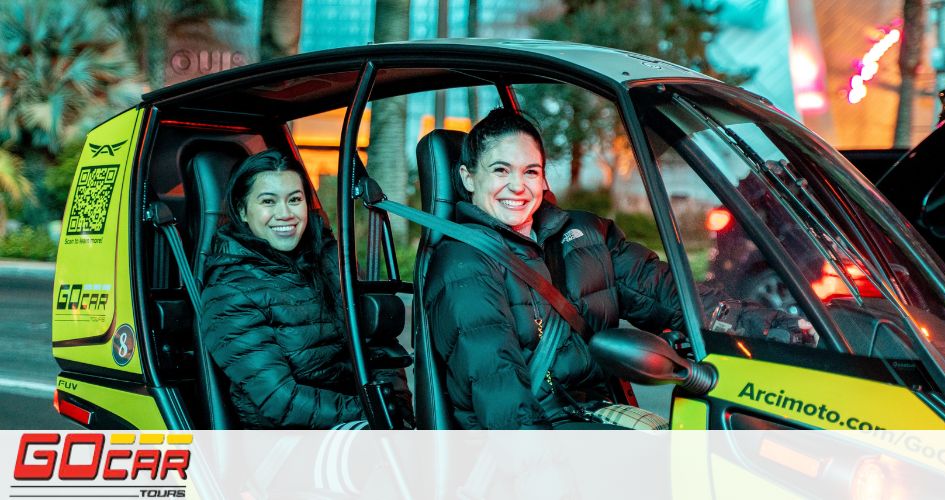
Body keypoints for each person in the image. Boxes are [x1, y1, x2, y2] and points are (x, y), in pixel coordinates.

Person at [423, 109, 815, 430]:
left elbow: (667, 294)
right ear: (467, 177)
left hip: (590, 411)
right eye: (500, 170)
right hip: (530, 432)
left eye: (530, 171)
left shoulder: (585, 235)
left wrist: (770, 327)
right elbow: (497, 389)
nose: (517, 187)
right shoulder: (463, 263)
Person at [201, 148, 410, 429]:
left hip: (359, 420)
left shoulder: (332, 260)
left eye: (295, 199)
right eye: (268, 201)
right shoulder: (229, 292)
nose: (285, 214)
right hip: (285, 442)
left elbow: (377, 345)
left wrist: (395, 406)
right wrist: (372, 412)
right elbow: (281, 400)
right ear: (243, 211)